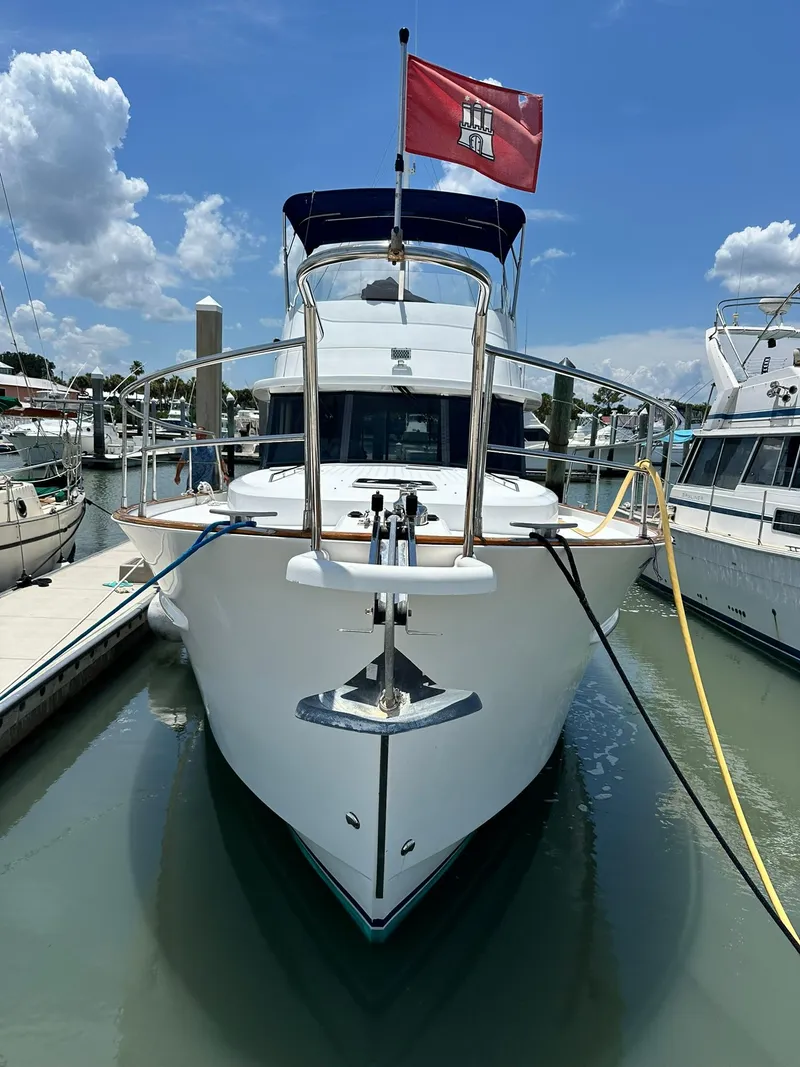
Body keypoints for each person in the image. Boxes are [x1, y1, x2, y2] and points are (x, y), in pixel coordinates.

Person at [174, 427, 229, 491]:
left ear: (205, 435)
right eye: (198, 435)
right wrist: (177, 475)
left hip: (209, 485)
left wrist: (225, 474)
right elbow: (182, 462)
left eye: (201, 435)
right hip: (193, 485)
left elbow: (221, 461)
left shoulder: (213, 448)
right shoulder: (190, 448)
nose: (199, 437)